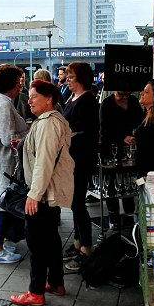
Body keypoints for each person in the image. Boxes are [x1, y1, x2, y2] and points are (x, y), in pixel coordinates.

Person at [10, 79, 75, 306]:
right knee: (51, 239)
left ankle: (35, 292)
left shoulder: (48, 123)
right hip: (48, 192)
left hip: (44, 193)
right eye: (28, 96)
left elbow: (44, 162)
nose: (29, 100)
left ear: (49, 99)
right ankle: (56, 282)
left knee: (36, 242)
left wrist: (33, 194)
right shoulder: (50, 121)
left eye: (34, 96)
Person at [0, 65, 27, 264]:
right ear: (10, 84)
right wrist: (28, 134)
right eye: (18, 83)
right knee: (2, 206)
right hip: (5, 164)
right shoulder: (3, 104)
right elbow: (9, 138)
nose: (20, 87)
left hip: (1, 163)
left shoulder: (1, 102)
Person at [61, 62, 99, 261]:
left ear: (82, 79)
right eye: (67, 76)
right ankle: (77, 242)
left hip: (81, 159)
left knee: (78, 202)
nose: (67, 79)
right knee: (74, 202)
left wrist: (66, 136)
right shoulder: (72, 97)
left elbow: (86, 132)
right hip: (71, 158)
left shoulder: (88, 100)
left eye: (71, 76)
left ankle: (86, 246)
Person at [100, 89, 145, 223]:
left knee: (128, 180)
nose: (123, 98)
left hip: (129, 147)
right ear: (114, 92)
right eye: (120, 95)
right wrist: (121, 137)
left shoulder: (133, 102)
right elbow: (104, 129)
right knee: (112, 184)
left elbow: (140, 122)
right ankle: (113, 217)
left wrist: (134, 135)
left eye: (126, 94)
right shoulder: (107, 104)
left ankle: (129, 214)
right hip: (111, 148)